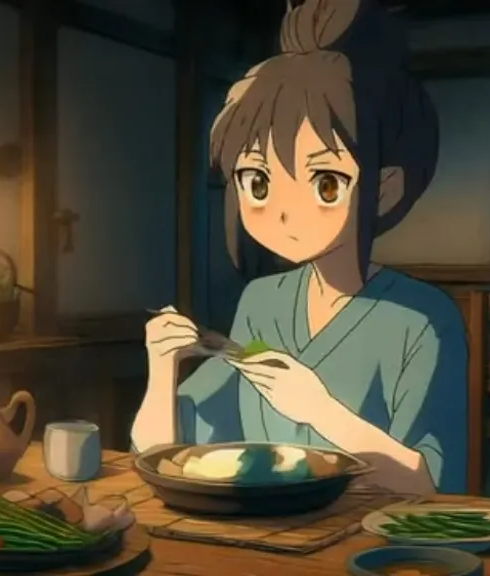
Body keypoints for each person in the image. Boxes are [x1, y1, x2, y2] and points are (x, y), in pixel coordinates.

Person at [131, 0, 467, 495]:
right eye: (258, 181)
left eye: (325, 183)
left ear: (385, 187)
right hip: (261, 532)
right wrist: (162, 368)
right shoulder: (262, 302)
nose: (284, 212)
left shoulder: (423, 319)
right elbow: (162, 454)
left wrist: (319, 408)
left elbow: (433, 485)